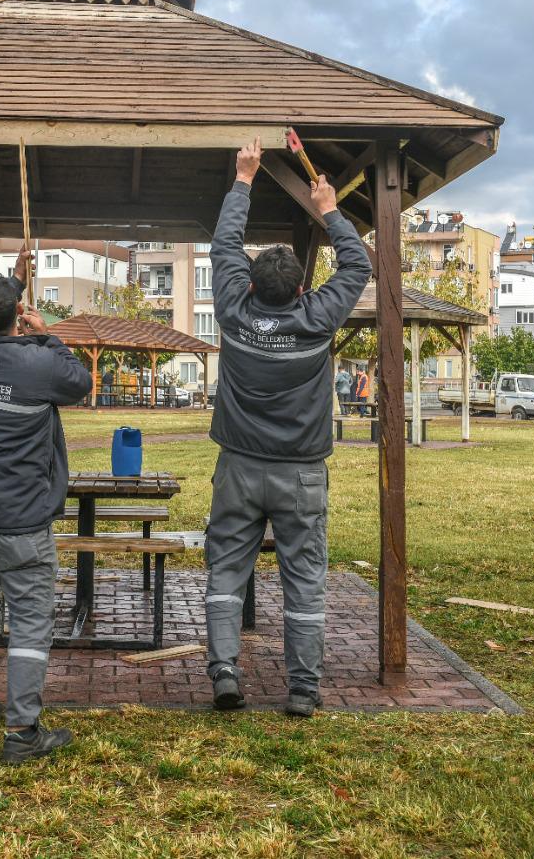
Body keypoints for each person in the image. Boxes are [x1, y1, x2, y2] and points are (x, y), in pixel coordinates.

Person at [202, 137, 371, 718]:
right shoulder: (317, 318)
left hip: (239, 470)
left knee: (226, 570)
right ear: (302, 288)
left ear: (249, 285)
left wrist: (244, 177)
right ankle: (303, 687)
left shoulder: (232, 310)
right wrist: (329, 209)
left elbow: (224, 245)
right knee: (305, 579)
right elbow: (357, 265)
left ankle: (223, 669)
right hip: (301, 475)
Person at [0, 247, 92, 762]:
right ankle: (22, 731)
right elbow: (80, 381)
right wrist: (44, 328)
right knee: (30, 620)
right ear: (16, 317)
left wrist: (16, 281)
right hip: (20, 521)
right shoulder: (39, 362)